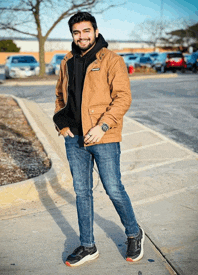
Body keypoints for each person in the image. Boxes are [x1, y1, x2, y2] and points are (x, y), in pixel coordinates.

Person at [53, 11, 145, 267]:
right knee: (82, 192)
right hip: (74, 137)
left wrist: (103, 126)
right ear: (72, 34)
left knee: (113, 188)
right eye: (76, 32)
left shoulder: (111, 60)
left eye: (85, 31)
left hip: (102, 135)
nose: (81, 36)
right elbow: (60, 95)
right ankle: (87, 245)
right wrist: (60, 124)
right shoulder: (67, 61)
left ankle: (134, 233)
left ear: (95, 31)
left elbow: (123, 97)